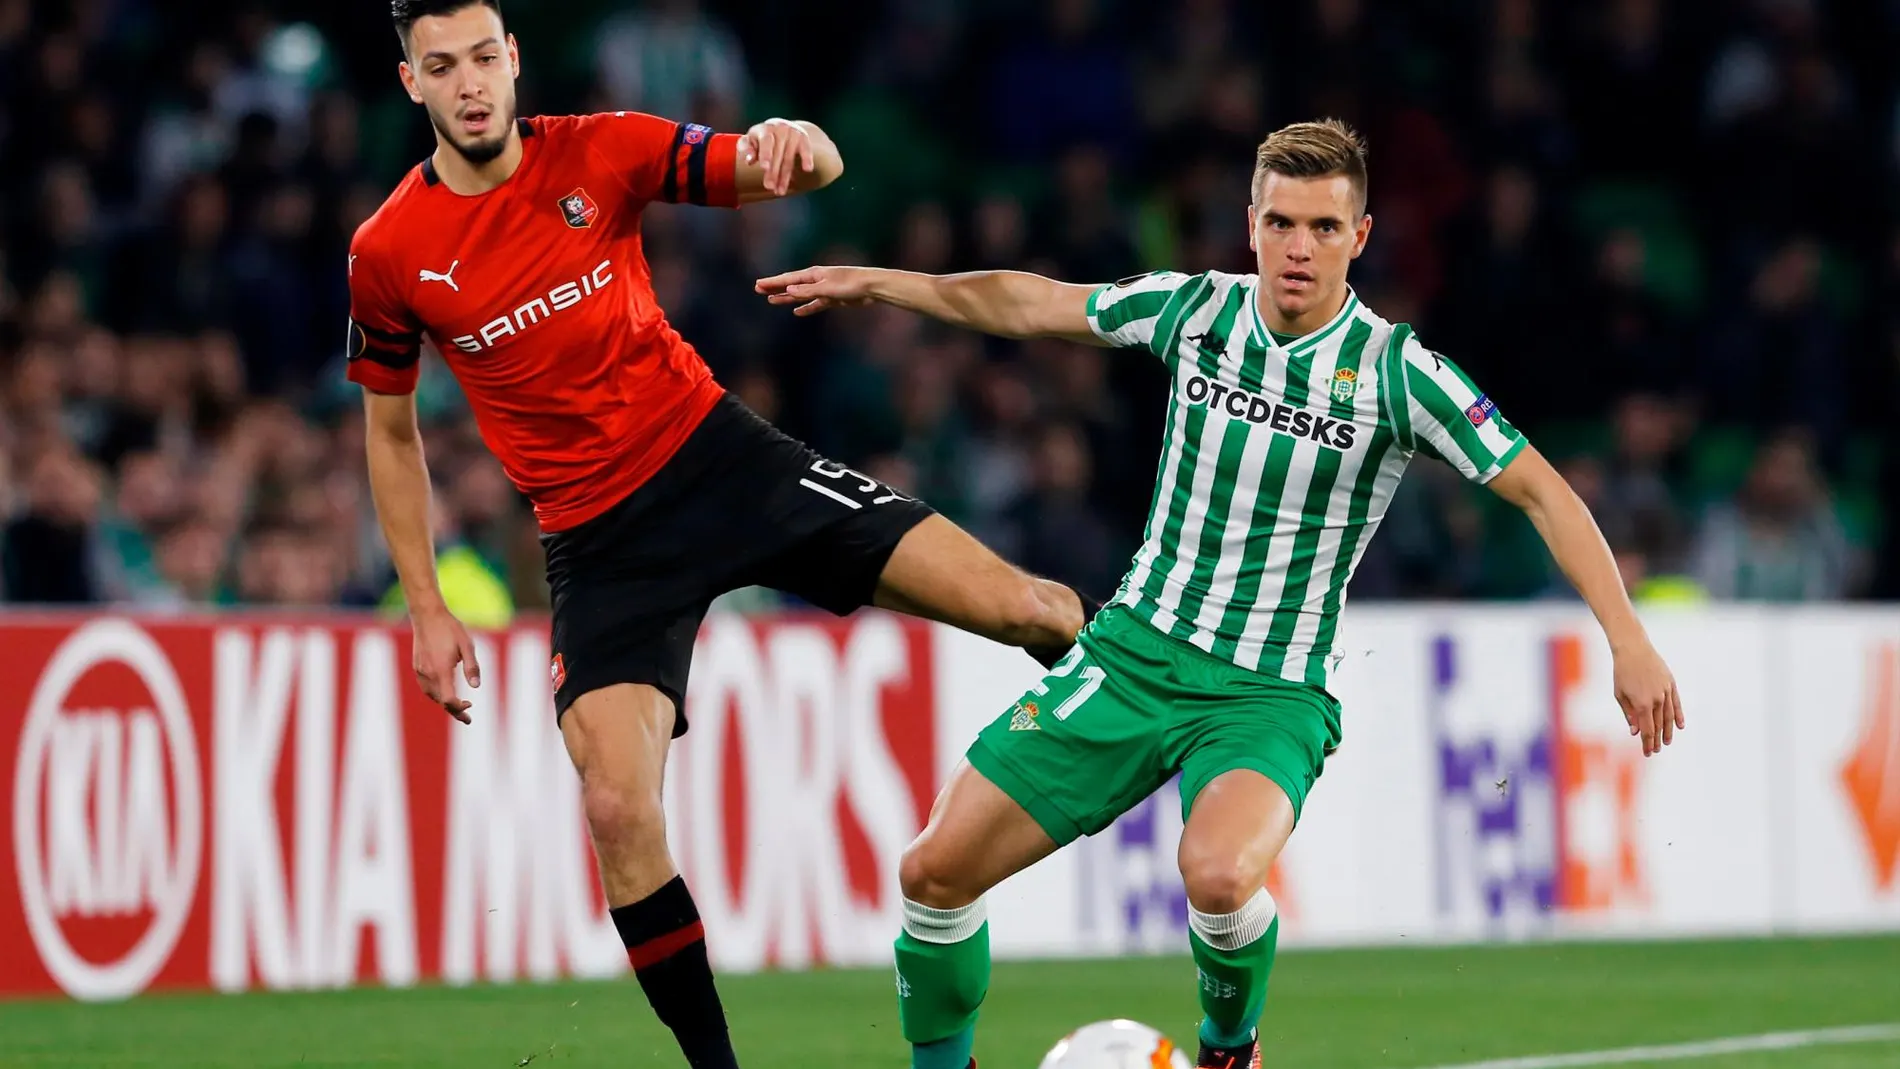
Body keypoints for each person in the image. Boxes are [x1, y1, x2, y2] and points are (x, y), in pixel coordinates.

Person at [756, 119, 1687, 1069]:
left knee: (1215, 871)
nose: (1299, 247)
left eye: (1325, 228)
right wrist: (879, 282)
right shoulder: (1197, 310)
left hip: (1269, 693)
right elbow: (1034, 303)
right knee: (932, 872)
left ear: (1359, 238)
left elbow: (1542, 487)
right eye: (1281, 221)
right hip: (1131, 655)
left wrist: (1629, 637)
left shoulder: (1399, 372)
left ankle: (1228, 1051)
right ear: (1250, 223)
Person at [350, 4, 1096, 1067]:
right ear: (410, 83)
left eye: (482, 59)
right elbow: (390, 430)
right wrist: (425, 605)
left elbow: (797, 168)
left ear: (513, 59)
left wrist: (801, 140)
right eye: (441, 67)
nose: (468, 85)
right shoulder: (388, 251)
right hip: (599, 543)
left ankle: (1174, 700)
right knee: (615, 806)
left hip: (724, 464)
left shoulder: (599, 148)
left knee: (1030, 607)